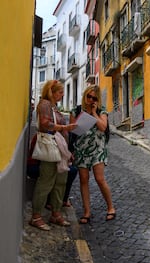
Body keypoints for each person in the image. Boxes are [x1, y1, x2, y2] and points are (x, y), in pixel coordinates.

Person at [30, 80, 77, 231]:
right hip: (50, 148)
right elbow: (45, 124)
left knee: (60, 182)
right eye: (60, 92)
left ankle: (56, 214)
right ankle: (36, 216)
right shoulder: (44, 104)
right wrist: (65, 127)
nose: (62, 95)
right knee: (46, 182)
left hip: (60, 150)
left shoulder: (54, 107)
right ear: (51, 91)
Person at [71, 85, 116, 224]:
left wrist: (94, 114)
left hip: (98, 150)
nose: (91, 100)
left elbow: (103, 127)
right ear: (85, 96)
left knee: (100, 179)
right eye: (88, 96)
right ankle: (87, 212)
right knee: (83, 180)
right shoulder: (76, 110)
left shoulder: (102, 111)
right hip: (81, 150)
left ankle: (111, 208)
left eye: (94, 98)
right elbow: (72, 130)